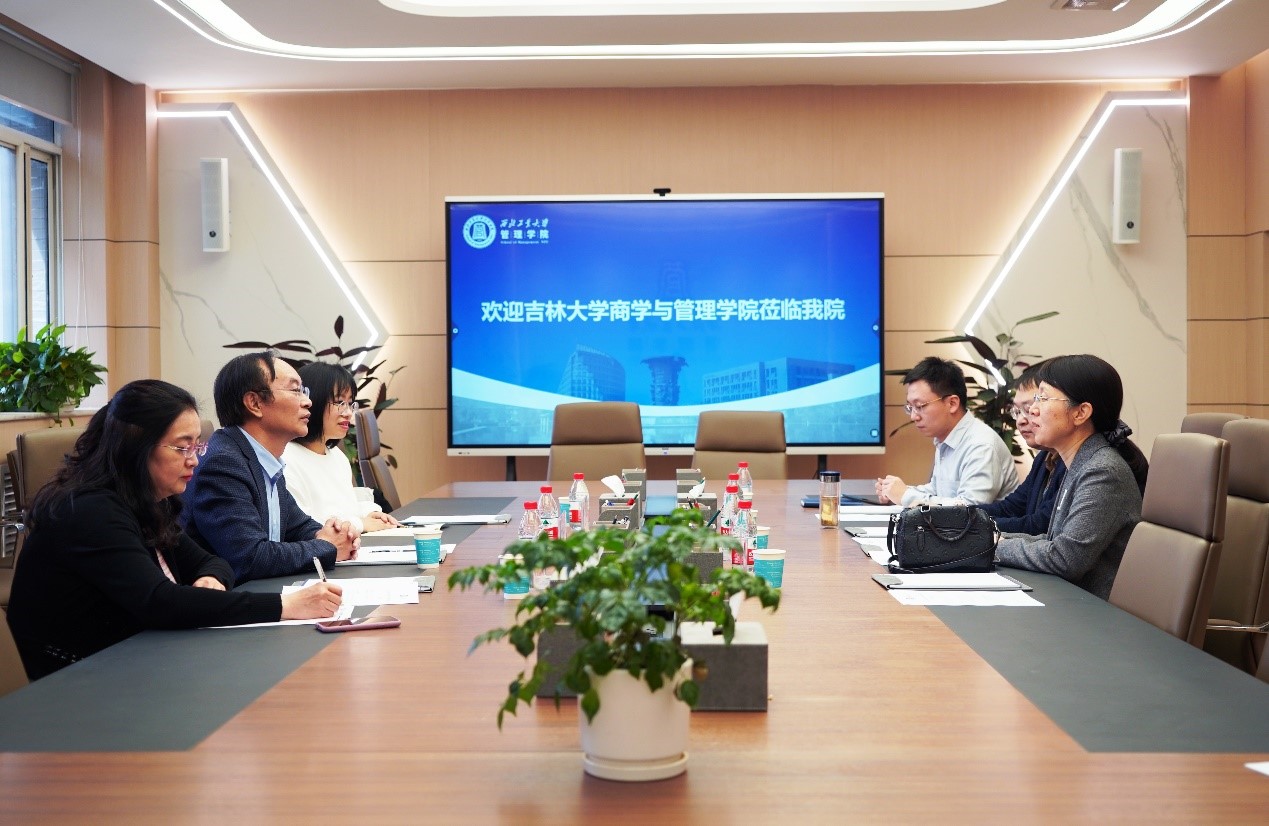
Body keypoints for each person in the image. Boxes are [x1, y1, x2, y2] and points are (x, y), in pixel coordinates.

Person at [4, 380, 342, 680]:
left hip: (140, 657)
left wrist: (211, 579)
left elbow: (212, 561)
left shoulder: (148, 499)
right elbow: (160, 601)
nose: (194, 459)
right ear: (137, 449)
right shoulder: (91, 510)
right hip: (76, 679)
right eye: (182, 447)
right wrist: (285, 605)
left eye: (197, 446)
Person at [183, 351, 359, 584]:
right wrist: (328, 547)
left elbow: (298, 526)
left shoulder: (265, 459)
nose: (308, 402)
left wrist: (337, 535)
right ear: (255, 403)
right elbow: (250, 558)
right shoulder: (224, 463)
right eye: (295, 390)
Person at [994, 354, 1149, 599]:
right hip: (1068, 599)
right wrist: (990, 539)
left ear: (1081, 413)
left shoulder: (1102, 472)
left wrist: (995, 546)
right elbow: (1052, 540)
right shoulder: (1079, 462)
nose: (1033, 410)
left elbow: (1065, 559)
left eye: (1043, 398)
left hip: (1091, 611)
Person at [876, 356, 1019, 507]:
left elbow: (970, 508)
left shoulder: (981, 446)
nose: (913, 416)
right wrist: (897, 492)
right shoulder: (946, 438)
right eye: (910, 407)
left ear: (952, 403)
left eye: (920, 406)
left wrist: (906, 496)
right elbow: (937, 491)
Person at [283, 362, 400, 533]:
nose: (348, 413)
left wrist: (370, 513)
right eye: (339, 402)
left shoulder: (336, 455)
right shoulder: (285, 459)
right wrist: (361, 524)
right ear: (311, 402)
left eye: (350, 403)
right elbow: (305, 528)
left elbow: (345, 507)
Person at [980, 366, 1067, 535]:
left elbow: (1040, 525)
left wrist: (972, 525)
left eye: (1029, 409)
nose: (1020, 420)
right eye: (1017, 411)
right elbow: (1010, 508)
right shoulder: (1044, 457)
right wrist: (960, 515)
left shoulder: (1078, 462)